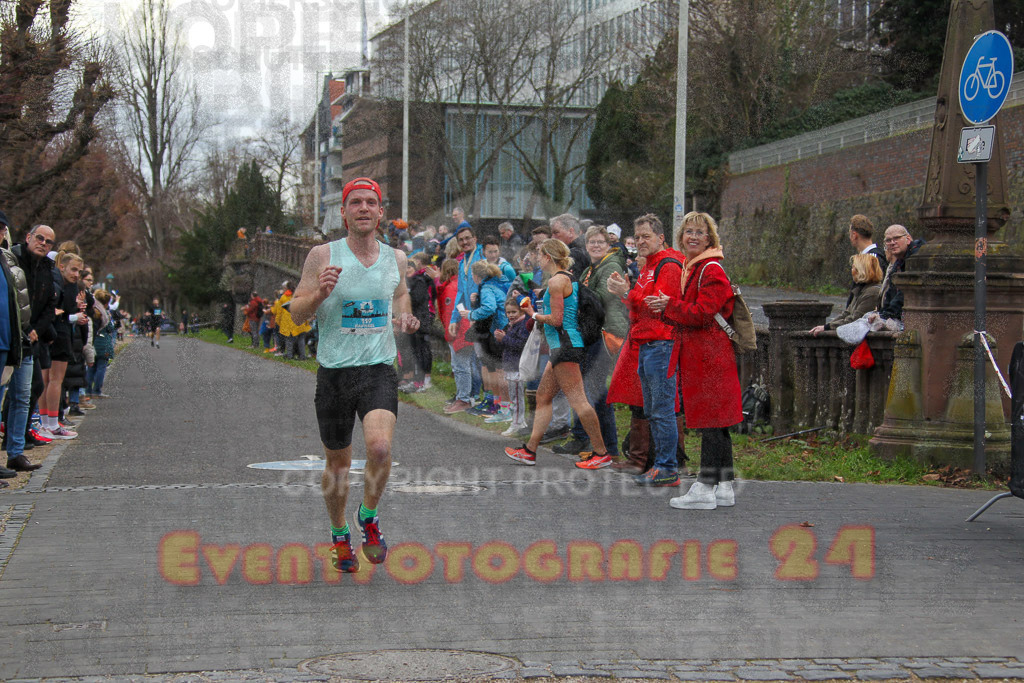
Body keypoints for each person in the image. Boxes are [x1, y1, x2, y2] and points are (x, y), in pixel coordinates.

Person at [289, 176, 420, 574]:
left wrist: (404, 314)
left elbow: (398, 293)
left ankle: (369, 516)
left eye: (371, 202)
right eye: (355, 202)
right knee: (339, 466)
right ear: (344, 213)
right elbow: (296, 313)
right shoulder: (322, 255)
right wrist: (318, 295)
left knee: (379, 449)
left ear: (381, 213)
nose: (363, 208)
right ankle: (338, 532)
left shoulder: (395, 258)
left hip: (378, 367)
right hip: (334, 373)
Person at [653, 212, 743, 509]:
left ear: (709, 239)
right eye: (688, 231)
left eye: (699, 233)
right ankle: (725, 485)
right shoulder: (696, 267)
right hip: (706, 353)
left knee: (710, 421)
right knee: (718, 422)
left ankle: (705, 487)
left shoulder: (710, 269)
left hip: (708, 355)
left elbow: (702, 313)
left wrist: (670, 305)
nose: (692, 236)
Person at [504, 239, 609, 466]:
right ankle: (529, 450)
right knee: (543, 396)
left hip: (565, 346)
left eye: (540, 254)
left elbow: (557, 319)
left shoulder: (556, 281)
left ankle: (601, 453)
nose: (537, 259)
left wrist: (532, 313)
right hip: (562, 346)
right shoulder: (566, 278)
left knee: (579, 402)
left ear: (549, 257)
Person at [606, 213, 685, 487]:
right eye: (637, 237)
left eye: (646, 236)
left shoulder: (668, 265)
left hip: (661, 343)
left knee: (662, 410)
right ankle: (659, 465)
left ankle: (667, 468)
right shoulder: (650, 266)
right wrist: (625, 293)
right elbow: (640, 306)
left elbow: (656, 304)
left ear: (661, 237)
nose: (640, 241)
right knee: (653, 409)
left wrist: (627, 292)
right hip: (647, 343)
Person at [560, 225, 629, 469]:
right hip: (594, 334)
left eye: (600, 242)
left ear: (608, 244)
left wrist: (572, 291)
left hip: (606, 334)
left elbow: (601, 298)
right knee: (594, 394)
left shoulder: (610, 266)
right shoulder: (592, 267)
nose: (596, 246)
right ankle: (599, 446)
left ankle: (609, 449)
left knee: (599, 396)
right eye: (592, 242)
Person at [444, 224, 484, 414]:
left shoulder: (482, 257)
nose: (465, 242)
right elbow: (460, 292)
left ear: (475, 238)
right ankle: (467, 398)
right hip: (470, 317)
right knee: (474, 361)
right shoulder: (462, 263)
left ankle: (471, 398)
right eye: (461, 240)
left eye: (468, 238)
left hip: (484, 316)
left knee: (485, 362)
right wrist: (454, 319)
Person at [810, 254, 884, 335]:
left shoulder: (872, 292)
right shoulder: (861, 289)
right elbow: (847, 313)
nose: (852, 271)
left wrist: (827, 327)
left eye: (853, 268)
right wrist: (826, 326)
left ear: (861, 271)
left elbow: (855, 319)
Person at [494, 299, 531, 438]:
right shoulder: (511, 325)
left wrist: (504, 338)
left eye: (514, 312)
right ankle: (518, 421)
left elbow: (520, 345)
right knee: (515, 396)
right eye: (508, 312)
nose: (510, 315)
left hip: (517, 367)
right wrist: (500, 338)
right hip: (510, 366)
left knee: (516, 397)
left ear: (521, 311)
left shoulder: (522, 326)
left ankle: (517, 423)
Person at [878, 224, 925, 321]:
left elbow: (907, 291)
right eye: (888, 240)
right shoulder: (898, 262)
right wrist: (882, 314)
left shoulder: (917, 257)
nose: (892, 243)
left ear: (908, 239)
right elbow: (890, 293)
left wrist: (887, 315)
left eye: (896, 238)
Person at [550, 213, 590, 280]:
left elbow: (568, 285)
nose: (552, 237)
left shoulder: (574, 254)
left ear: (571, 232)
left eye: (556, 232)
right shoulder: (586, 247)